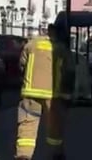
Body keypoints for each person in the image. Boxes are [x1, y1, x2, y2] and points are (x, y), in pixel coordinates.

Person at [15, 23, 75, 160]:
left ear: (47, 31)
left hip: (30, 92)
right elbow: (69, 73)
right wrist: (68, 96)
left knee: (27, 125)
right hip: (53, 95)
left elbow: (21, 65)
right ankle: (56, 154)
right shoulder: (62, 49)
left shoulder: (31, 45)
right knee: (54, 127)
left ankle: (23, 156)